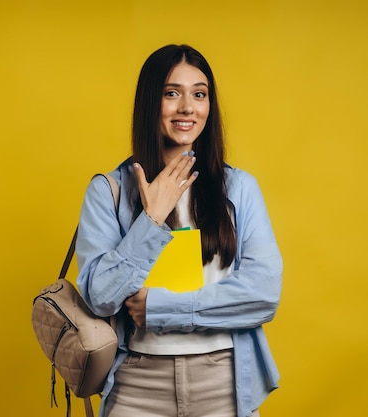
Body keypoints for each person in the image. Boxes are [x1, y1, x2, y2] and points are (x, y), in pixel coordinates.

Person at [75, 44, 282, 417]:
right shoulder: (109, 190)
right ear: (150, 102)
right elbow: (99, 297)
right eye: (172, 93)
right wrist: (151, 220)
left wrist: (161, 309)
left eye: (199, 94)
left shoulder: (239, 189)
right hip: (137, 385)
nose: (188, 107)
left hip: (223, 382)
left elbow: (264, 294)